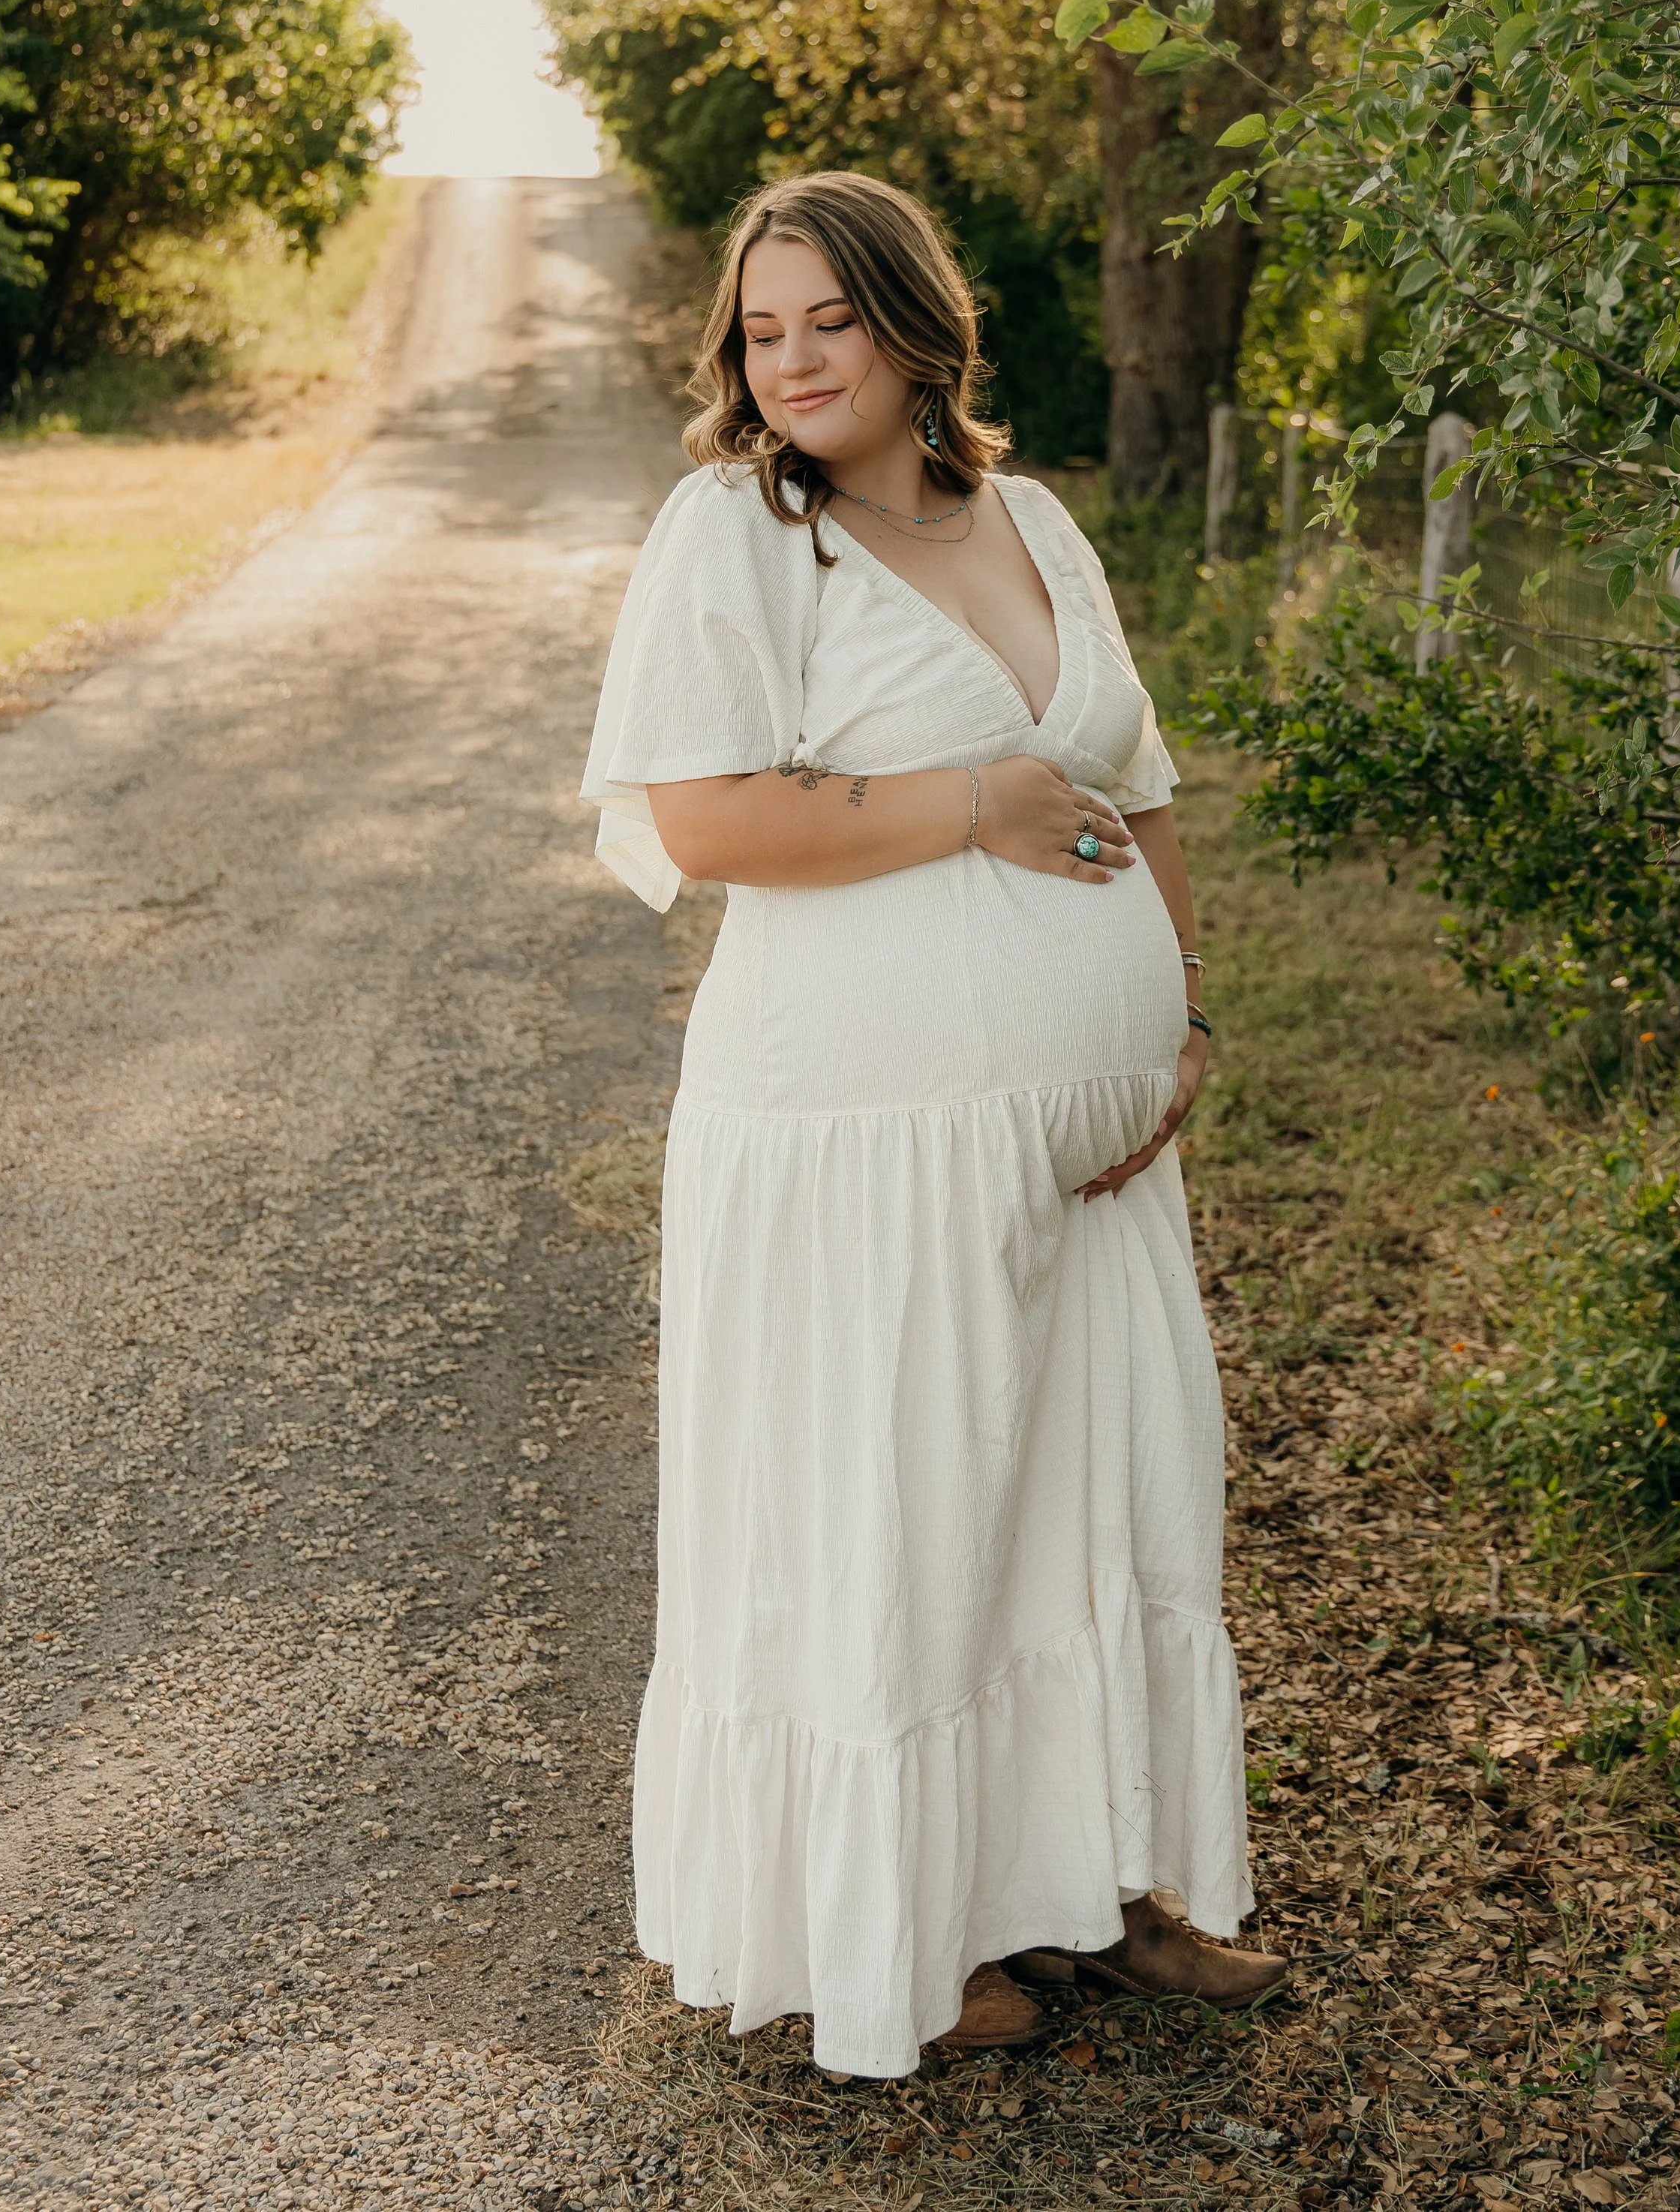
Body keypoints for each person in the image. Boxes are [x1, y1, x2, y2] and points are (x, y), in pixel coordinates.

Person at [582, 171, 1286, 2079]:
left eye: (827, 318)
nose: (790, 360)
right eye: (759, 329)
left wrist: (1183, 1022)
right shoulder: (735, 534)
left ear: (915, 324)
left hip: (1091, 1147)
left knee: (1098, 1496)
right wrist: (964, 803)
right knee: (906, 1510)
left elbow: (1134, 787)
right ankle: (906, 1926)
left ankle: (1106, 1880)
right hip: (854, 1135)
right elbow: (707, 822)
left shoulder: (1036, 519)